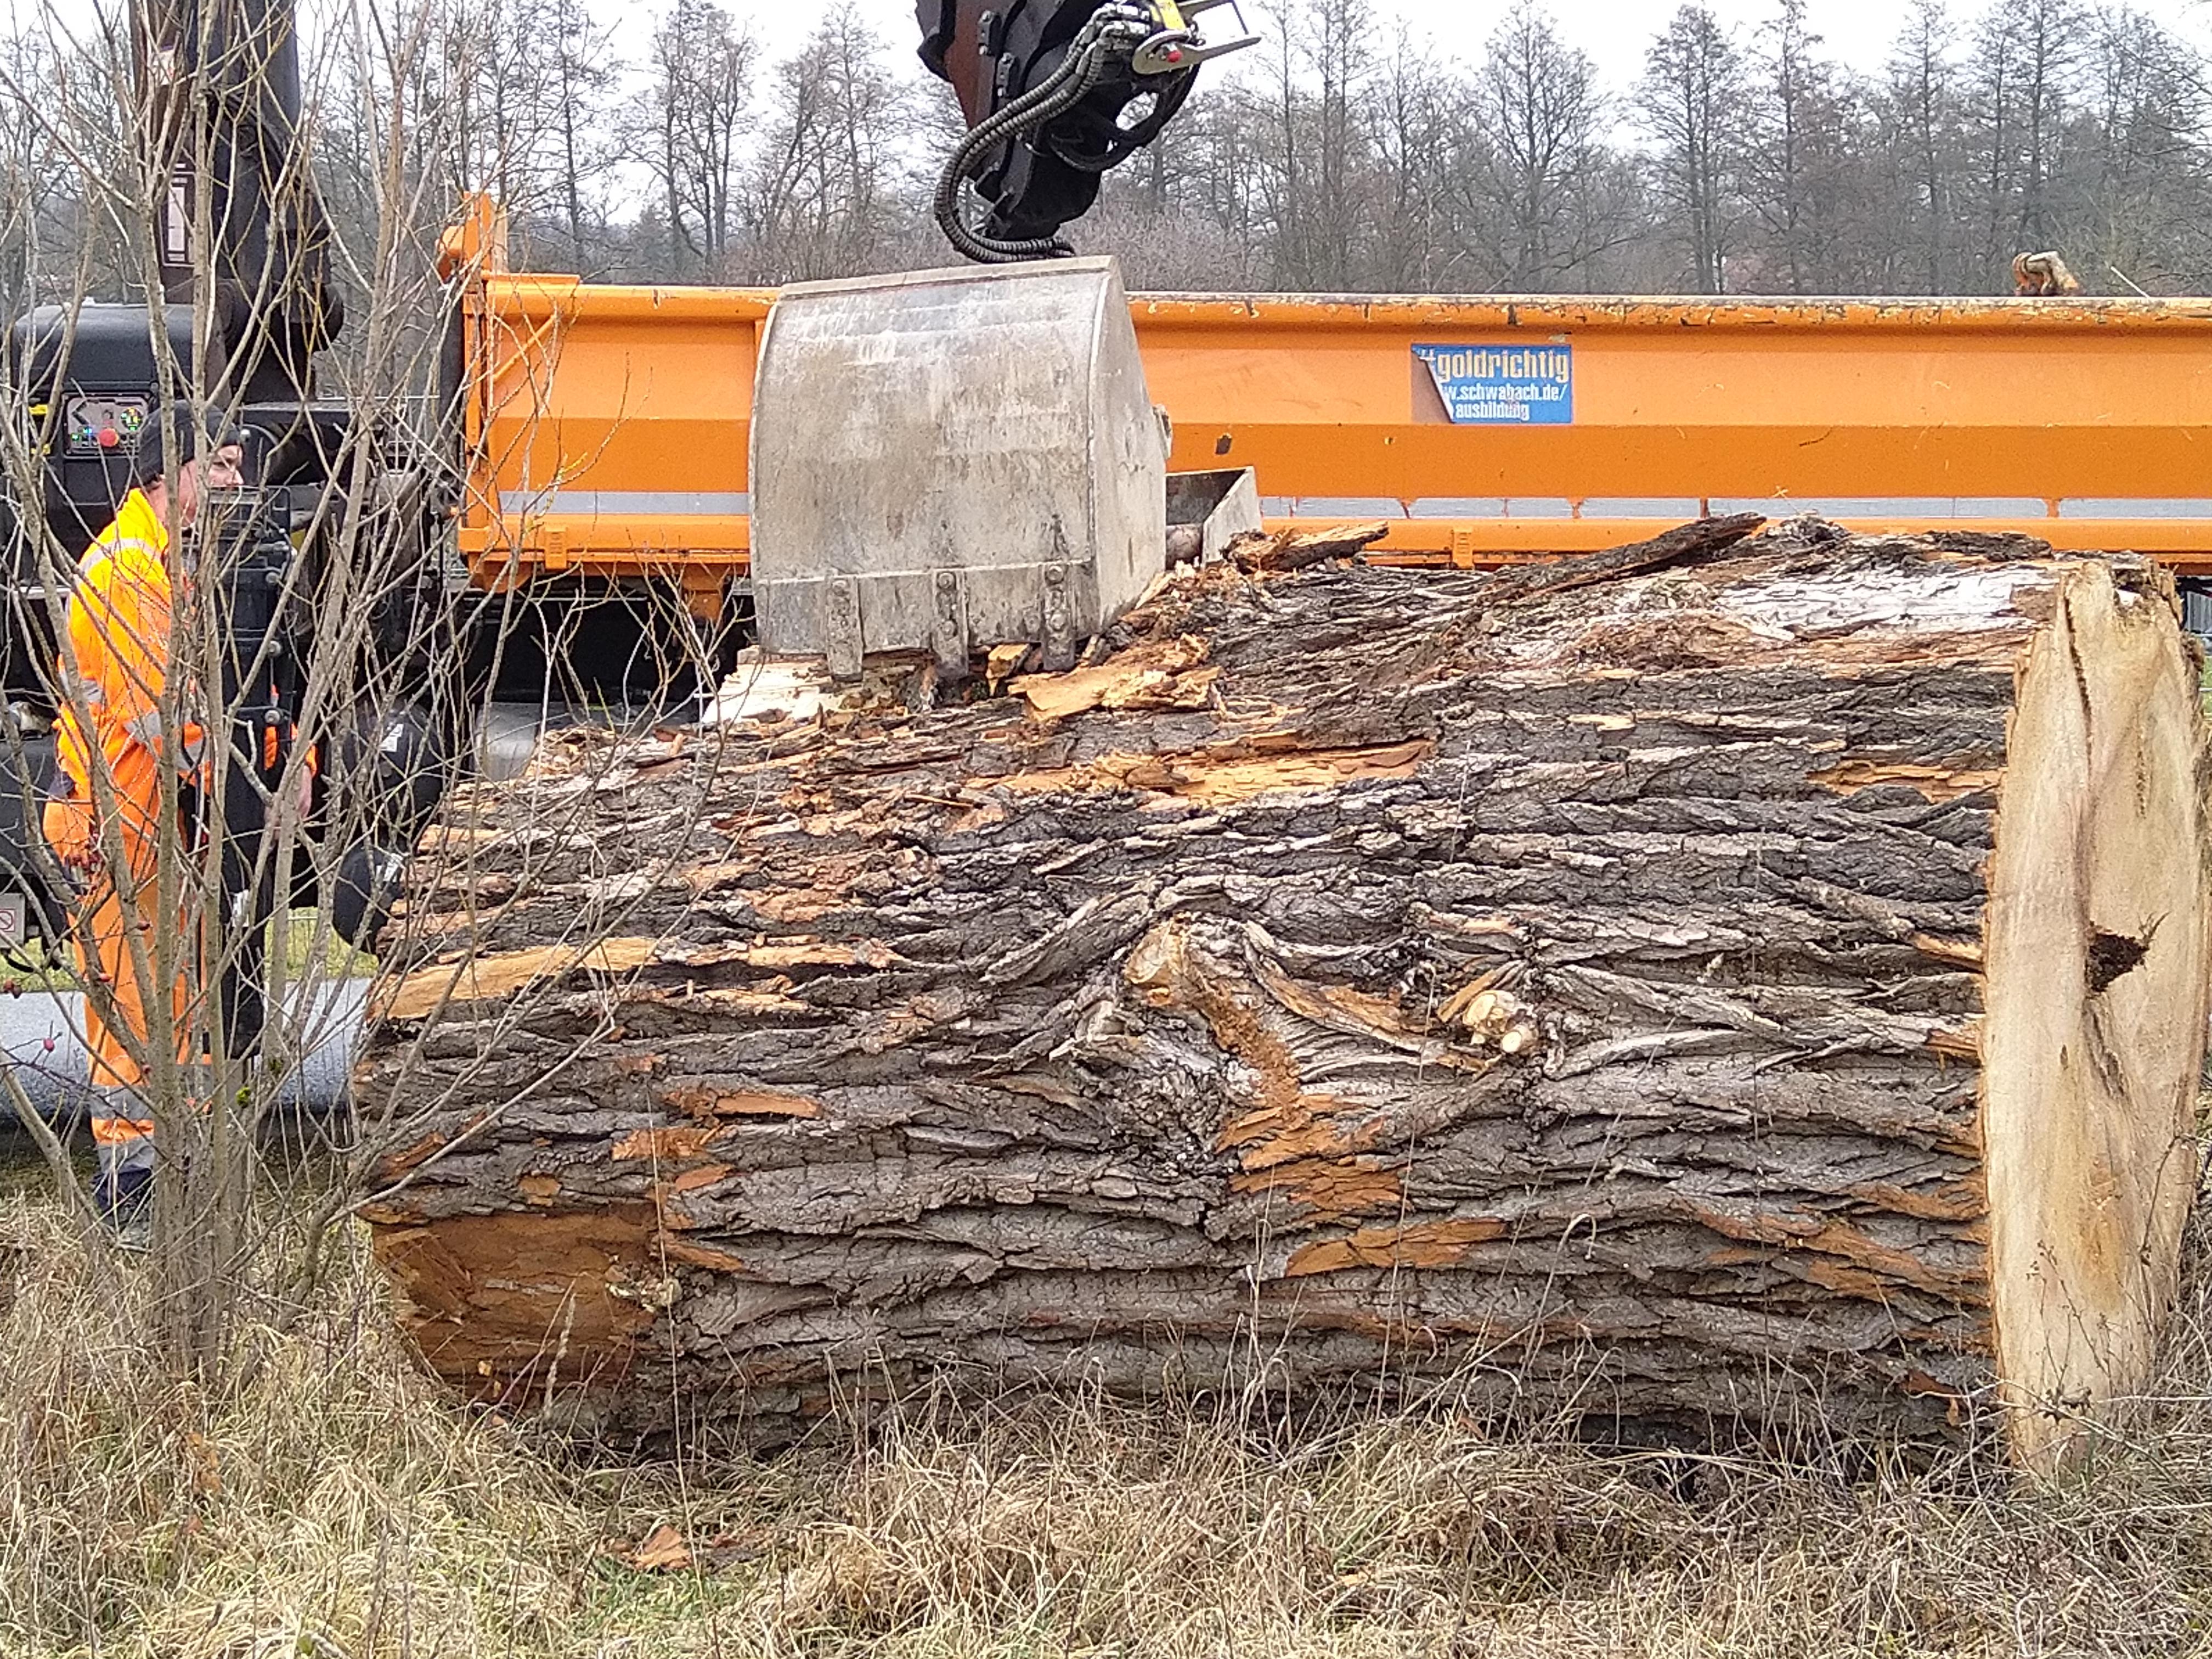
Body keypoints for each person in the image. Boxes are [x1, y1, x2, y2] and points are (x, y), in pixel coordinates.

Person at [41, 407, 245, 1244]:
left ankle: (173, 1180)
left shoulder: (157, 564)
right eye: (222, 465)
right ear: (172, 473)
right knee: (133, 1005)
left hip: (146, 818)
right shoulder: (131, 572)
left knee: (172, 991)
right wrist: (236, 780)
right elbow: (166, 716)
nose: (236, 482)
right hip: (116, 822)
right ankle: (132, 1200)